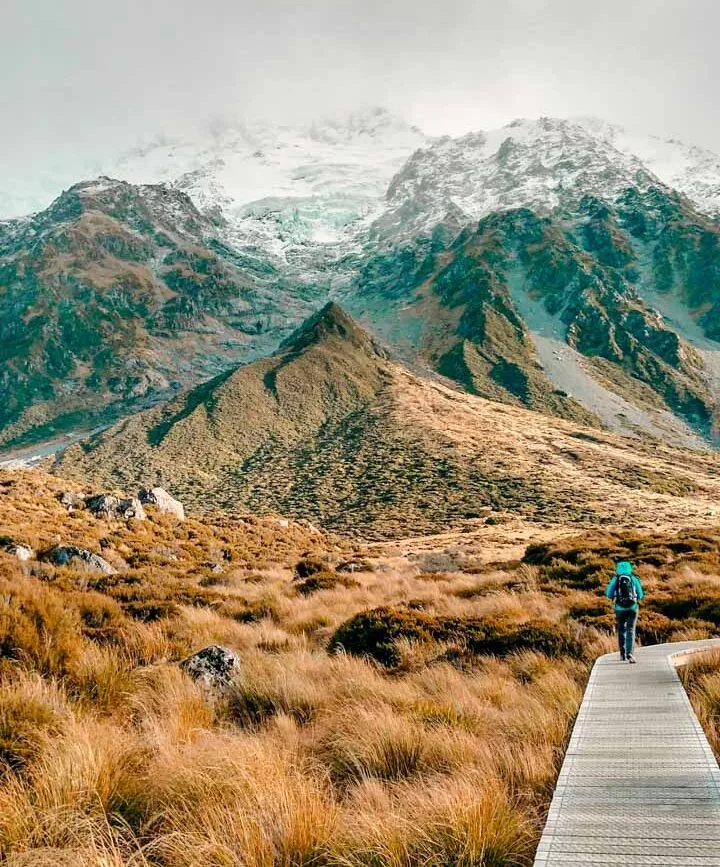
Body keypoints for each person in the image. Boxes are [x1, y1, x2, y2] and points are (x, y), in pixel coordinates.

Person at [605, 561, 644, 663]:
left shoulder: (615, 579)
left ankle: (622, 655)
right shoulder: (634, 579)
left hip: (619, 608)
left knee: (621, 630)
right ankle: (630, 653)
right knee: (631, 629)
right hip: (633, 608)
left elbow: (608, 594)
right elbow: (640, 595)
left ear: (618, 569)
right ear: (629, 568)